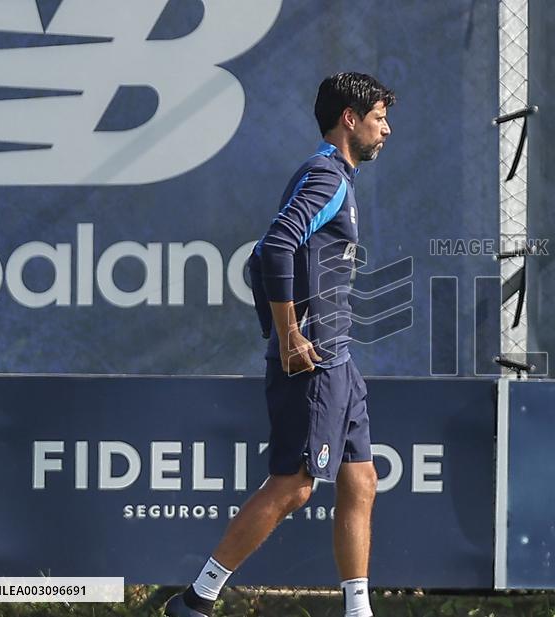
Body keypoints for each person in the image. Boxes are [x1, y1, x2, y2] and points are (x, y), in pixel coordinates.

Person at [165, 72, 394, 617]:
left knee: (361, 479)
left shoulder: (336, 176)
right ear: (350, 118)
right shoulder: (326, 175)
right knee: (294, 487)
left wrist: (289, 333)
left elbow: (267, 256)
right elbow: (272, 249)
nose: (386, 130)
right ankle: (197, 600)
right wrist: (289, 334)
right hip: (315, 358)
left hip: (339, 358)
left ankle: (357, 611)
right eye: (380, 118)